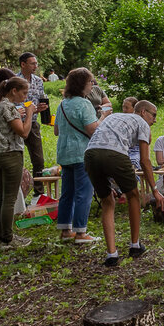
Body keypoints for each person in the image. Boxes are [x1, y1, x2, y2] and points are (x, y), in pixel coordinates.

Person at [85, 100, 164, 266]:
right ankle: (135, 245)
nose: (155, 120)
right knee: (133, 195)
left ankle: (111, 254)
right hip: (114, 154)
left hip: (90, 154)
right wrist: (155, 190)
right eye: (154, 115)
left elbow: (102, 147)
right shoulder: (141, 122)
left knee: (107, 201)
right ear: (143, 112)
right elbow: (144, 160)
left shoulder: (113, 117)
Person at [53, 68, 106, 246]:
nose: (93, 85)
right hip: (82, 153)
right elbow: (93, 130)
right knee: (84, 193)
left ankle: (65, 230)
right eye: (91, 81)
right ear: (82, 83)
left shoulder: (62, 104)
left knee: (67, 193)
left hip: (65, 153)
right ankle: (81, 232)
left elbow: (56, 130)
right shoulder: (84, 104)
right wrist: (103, 117)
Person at [0, 76, 34, 250]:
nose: (25, 96)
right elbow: (23, 132)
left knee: (2, 197)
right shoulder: (8, 106)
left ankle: (0, 237)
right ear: (14, 91)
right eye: (24, 92)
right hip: (10, 155)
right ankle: (7, 238)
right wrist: (29, 114)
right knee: (9, 199)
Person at [17, 52, 49, 195]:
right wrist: (28, 110)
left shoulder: (38, 81)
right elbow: (12, 105)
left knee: (38, 159)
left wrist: (41, 108)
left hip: (33, 123)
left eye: (36, 63)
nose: (36, 66)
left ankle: (39, 192)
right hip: (17, 124)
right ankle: (19, 192)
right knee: (17, 159)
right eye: (32, 63)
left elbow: (39, 99)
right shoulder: (14, 80)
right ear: (23, 64)